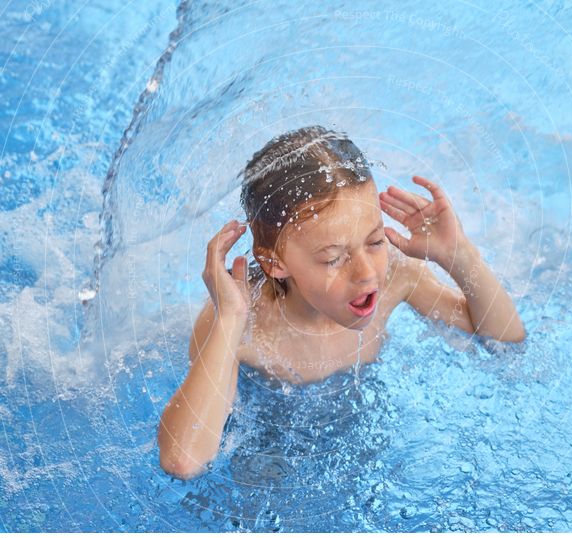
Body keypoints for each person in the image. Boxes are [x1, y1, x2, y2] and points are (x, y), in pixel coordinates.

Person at [158, 125, 525, 479]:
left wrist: (459, 255)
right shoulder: (244, 322)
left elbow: (504, 338)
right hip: (267, 447)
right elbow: (184, 461)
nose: (367, 273)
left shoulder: (397, 276)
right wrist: (229, 320)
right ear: (275, 262)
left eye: (375, 241)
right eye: (333, 258)